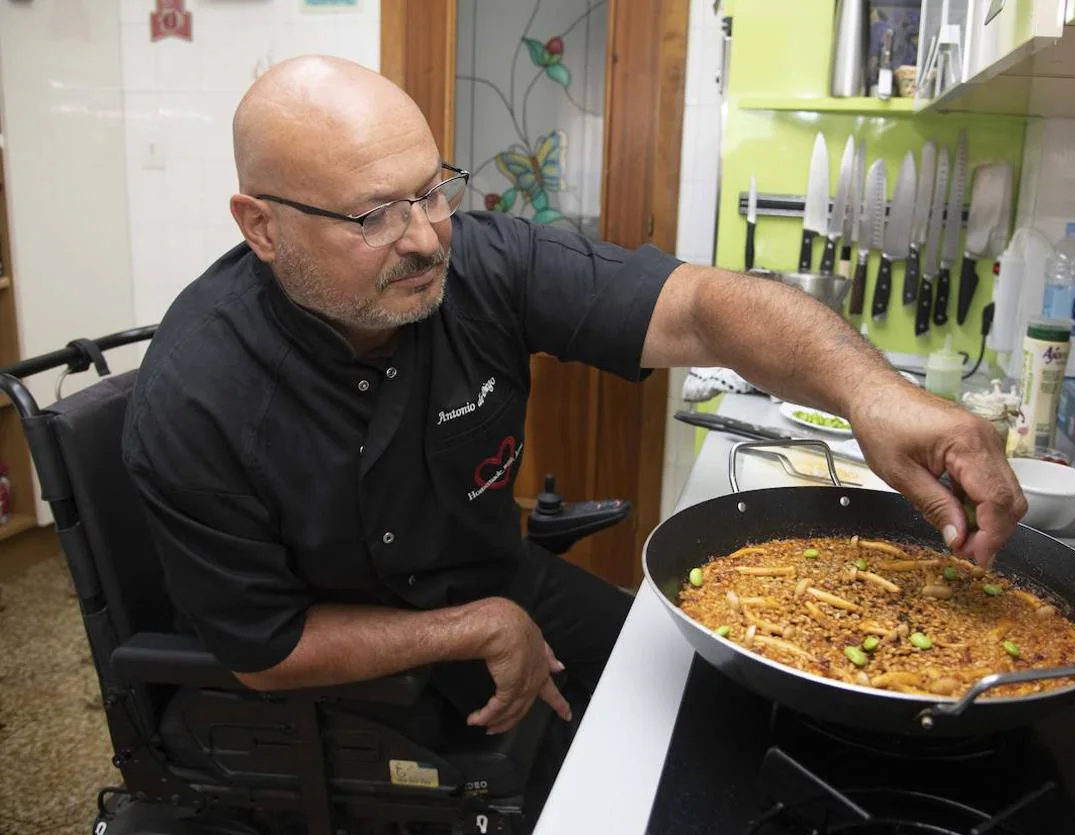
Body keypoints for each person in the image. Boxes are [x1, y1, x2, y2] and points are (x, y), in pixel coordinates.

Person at [122, 55, 1025, 740]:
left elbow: (707, 311)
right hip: (340, 662)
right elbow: (267, 650)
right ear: (261, 227)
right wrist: (471, 629)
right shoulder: (197, 396)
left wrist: (875, 393)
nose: (426, 239)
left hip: (495, 583)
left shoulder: (483, 261)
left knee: (705, 702)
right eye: (373, 216)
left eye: (432, 190)